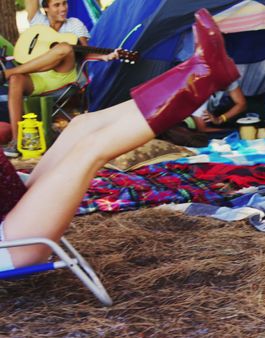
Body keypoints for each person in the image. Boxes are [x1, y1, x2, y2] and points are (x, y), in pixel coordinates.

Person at [0, 9, 240, 271]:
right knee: (89, 150)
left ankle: (197, 71)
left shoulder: (72, 25)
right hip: (11, 242)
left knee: (80, 126)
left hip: (13, 203)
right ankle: (201, 77)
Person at [1, 0, 118, 158]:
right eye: (57, 5)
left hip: (63, 77)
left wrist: (105, 56)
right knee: (16, 79)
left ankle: (6, 73)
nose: (63, 8)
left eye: (64, 4)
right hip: (38, 77)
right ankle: (16, 141)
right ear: (46, 8)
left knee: (64, 47)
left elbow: (85, 51)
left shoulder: (75, 24)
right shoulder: (38, 22)